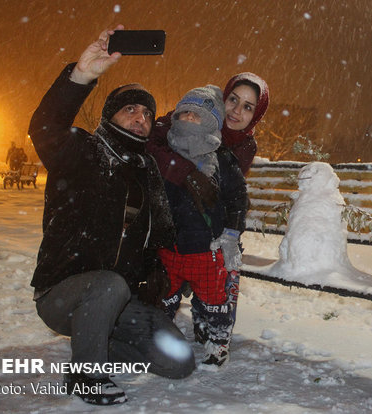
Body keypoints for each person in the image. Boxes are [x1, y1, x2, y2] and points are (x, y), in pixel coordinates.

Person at [27, 26, 195, 406]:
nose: (140, 118)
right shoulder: (81, 151)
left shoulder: (146, 171)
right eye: (130, 109)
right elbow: (45, 126)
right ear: (110, 116)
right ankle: (86, 374)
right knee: (108, 284)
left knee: (178, 360)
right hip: (62, 294)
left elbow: (155, 240)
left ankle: (96, 340)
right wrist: (82, 75)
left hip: (118, 301)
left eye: (148, 114)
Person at [148, 85, 248, 367]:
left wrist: (230, 233)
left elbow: (237, 199)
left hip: (207, 250)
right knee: (164, 298)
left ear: (212, 120)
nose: (189, 119)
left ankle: (216, 339)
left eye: (198, 115)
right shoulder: (165, 155)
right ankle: (160, 339)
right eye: (185, 113)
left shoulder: (222, 159)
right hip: (169, 248)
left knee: (215, 300)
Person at [147, 72, 269, 208]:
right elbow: (149, 144)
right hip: (164, 199)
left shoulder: (245, 147)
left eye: (247, 107)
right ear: (224, 97)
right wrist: (186, 173)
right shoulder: (195, 112)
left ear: (256, 115)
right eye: (233, 99)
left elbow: (227, 186)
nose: (236, 110)